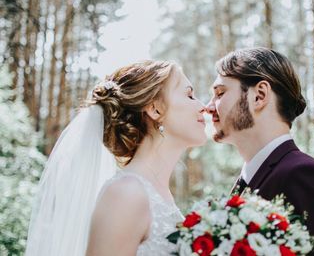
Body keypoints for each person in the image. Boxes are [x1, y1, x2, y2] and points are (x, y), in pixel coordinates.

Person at [25, 60, 207, 256]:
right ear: (155, 110)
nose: (203, 106)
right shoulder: (126, 193)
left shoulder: (158, 193)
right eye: (189, 95)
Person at [205, 47, 314, 256]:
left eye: (220, 93)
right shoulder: (247, 181)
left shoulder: (304, 177)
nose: (209, 106)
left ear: (259, 95)